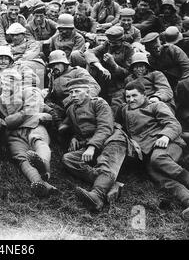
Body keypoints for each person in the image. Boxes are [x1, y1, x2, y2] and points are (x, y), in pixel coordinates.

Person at [117, 81, 189, 220]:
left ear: (144, 95)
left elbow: (173, 123)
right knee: (158, 176)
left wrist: (165, 136)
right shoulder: (124, 110)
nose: (131, 100)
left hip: (168, 144)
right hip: (148, 153)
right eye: (127, 97)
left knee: (159, 158)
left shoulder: (156, 105)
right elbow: (116, 124)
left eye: (134, 96)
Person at [61, 78, 128, 211]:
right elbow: (80, 129)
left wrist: (91, 147)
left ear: (87, 92)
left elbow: (105, 128)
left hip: (112, 139)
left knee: (106, 162)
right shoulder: (71, 110)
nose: (73, 95)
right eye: (71, 92)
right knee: (68, 159)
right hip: (91, 143)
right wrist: (75, 137)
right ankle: (110, 184)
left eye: (77, 91)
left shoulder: (98, 103)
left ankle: (97, 196)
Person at [0, 68, 57, 197]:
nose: (5, 84)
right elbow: (0, 119)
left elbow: (29, 112)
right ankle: (39, 182)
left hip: (32, 125)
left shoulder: (29, 91)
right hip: (14, 134)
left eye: (10, 81)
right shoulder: (0, 100)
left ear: (18, 82)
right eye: (3, 82)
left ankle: (44, 164)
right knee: (20, 156)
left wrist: (9, 121)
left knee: (38, 140)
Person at [84, 26, 134, 115]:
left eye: (114, 43)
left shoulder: (128, 49)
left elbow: (128, 73)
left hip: (118, 84)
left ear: (121, 40)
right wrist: (100, 67)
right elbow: (89, 53)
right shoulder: (107, 44)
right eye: (110, 42)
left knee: (116, 107)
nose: (111, 45)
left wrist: (114, 64)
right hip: (103, 80)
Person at [45, 50, 100, 129]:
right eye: (52, 65)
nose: (54, 67)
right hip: (60, 108)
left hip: (77, 104)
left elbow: (94, 86)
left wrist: (75, 99)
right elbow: (51, 94)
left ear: (64, 63)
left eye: (57, 64)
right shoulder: (53, 76)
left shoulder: (78, 71)